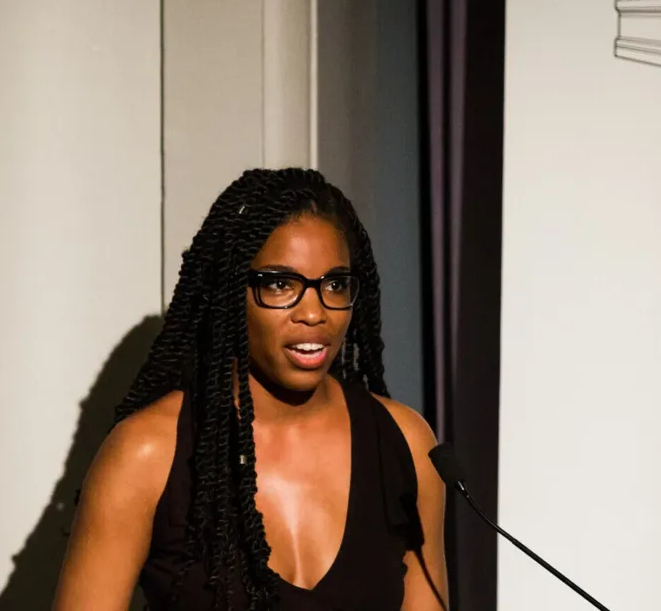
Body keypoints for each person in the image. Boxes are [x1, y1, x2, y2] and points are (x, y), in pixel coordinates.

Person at [53, 168, 448, 611]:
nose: (315, 313)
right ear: (228, 292)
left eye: (334, 284)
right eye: (281, 284)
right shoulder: (148, 453)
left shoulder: (406, 446)